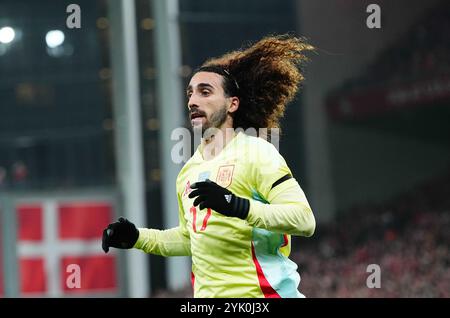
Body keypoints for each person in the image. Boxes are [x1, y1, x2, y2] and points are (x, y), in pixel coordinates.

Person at [102, 34, 316, 298]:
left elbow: (304, 220)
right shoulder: (187, 173)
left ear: (232, 104)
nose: (193, 101)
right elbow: (190, 238)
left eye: (205, 92)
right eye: (190, 93)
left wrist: (239, 206)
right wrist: (137, 238)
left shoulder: (258, 153)